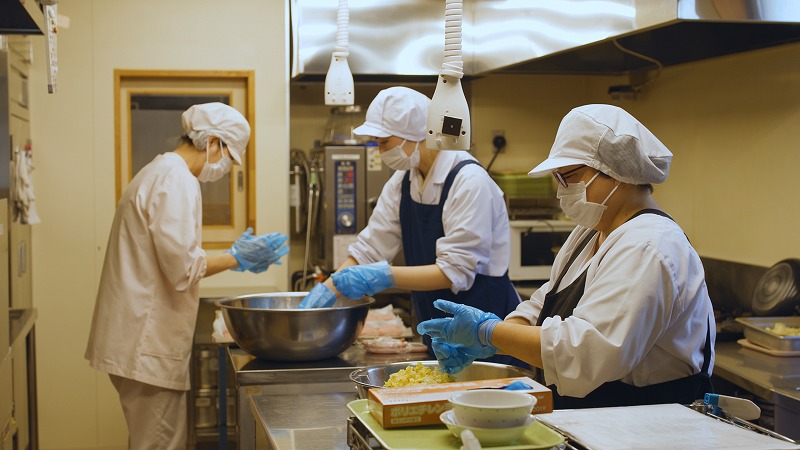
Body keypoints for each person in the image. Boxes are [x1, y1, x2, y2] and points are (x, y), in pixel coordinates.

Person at [417, 104, 715, 409]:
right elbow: (546, 301)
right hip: (597, 417)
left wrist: (489, 333)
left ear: (617, 173)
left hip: (647, 424)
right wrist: (501, 331)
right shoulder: (591, 231)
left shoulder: (649, 245)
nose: (562, 191)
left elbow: (586, 352)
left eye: (568, 176)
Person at [85, 102, 289, 449]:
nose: (225, 169)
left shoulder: (159, 172)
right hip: (146, 343)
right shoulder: (177, 179)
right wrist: (235, 257)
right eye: (229, 157)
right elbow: (184, 270)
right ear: (212, 143)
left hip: (137, 338)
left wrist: (231, 257)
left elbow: (173, 258)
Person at [298, 86, 525, 368]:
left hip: (487, 338)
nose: (379, 151)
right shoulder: (403, 180)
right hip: (440, 336)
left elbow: (454, 272)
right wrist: (328, 290)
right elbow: (369, 248)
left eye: (383, 142)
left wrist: (383, 276)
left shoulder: (469, 181)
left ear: (418, 134)